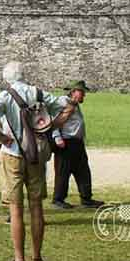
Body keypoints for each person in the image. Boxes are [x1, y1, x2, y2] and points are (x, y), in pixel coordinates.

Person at [0, 61, 75, 261]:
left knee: (15, 209)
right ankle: (37, 259)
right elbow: (68, 107)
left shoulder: (6, 96)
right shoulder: (38, 93)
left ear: (7, 78)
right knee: (36, 207)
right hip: (37, 155)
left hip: (12, 154)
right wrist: (50, 126)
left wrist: (0, 136)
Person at [51, 81, 104, 209]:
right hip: (65, 142)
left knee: (83, 171)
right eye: (82, 92)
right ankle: (58, 199)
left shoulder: (74, 104)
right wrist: (57, 138)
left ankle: (86, 198)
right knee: (63, 172)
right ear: (74, 91)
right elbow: (54, 121)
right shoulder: (63, 102)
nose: (84, 95)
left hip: (76, 142)